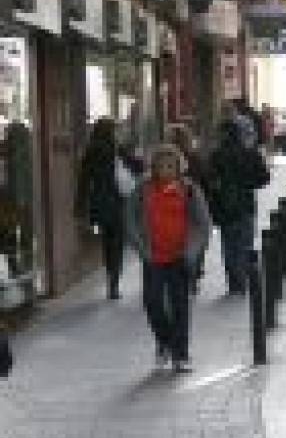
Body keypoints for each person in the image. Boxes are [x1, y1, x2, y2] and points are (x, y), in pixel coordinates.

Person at [126, 144, 211, 372]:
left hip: (180, 257)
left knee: (180, 305)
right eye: (161, 165)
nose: (166, 170)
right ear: (153, 167)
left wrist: (191, 251)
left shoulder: (189, 189)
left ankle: (181, 354)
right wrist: (141, 247)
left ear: (179, 167)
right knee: (152, 302)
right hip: (153, 256)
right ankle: (165, 342)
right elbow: (131, 218)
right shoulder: (143, 189)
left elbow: (203, 223)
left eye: (171, 166)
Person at [207, 118, 270, 295]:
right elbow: (264, 178)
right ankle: (243, 278)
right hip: (246, 205)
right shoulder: (250, 153)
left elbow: (210, 180)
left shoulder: (216, 155)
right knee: (245, 243)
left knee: (229, 244)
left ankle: (234, 282)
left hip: (225, 206)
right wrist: (247, 184)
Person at [77, 118, 128, 300]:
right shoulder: (116, 149)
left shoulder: (90, 151)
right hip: (117, 202)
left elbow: (83, 180)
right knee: (118, 242)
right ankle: (114, 283)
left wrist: (80, 205)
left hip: (98, 202)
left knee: (107, 242)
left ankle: (110, 277)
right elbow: (132, 170)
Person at [165, 123, 210, 293]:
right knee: (196, 240)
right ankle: (193, 273)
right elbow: (205, 182)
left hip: (174, 208)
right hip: (192, 207)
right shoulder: (195, 158)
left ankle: (179, 275)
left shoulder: (164, 161)